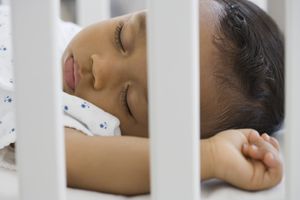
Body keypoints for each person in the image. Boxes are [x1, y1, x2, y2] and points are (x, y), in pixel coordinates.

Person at [0, 0, 284, 196]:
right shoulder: (58, 33)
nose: (99, 68)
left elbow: (69, 158)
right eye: (122, 36)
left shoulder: (75, 120)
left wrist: (209, 156)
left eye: (129, 101)